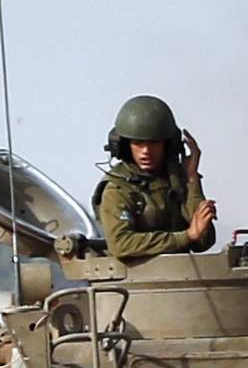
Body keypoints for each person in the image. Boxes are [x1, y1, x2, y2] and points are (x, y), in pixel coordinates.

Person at [92, 94, 217, 261]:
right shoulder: (118, 188)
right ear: (124, 146)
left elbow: (203, 241)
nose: (146, 151)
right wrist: (185, 237)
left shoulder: (175, 180)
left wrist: (191, 178)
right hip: (137, 276)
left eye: (154, 143)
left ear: (168, 144)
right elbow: (121, 244)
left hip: (180, 273)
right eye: (138, 143)